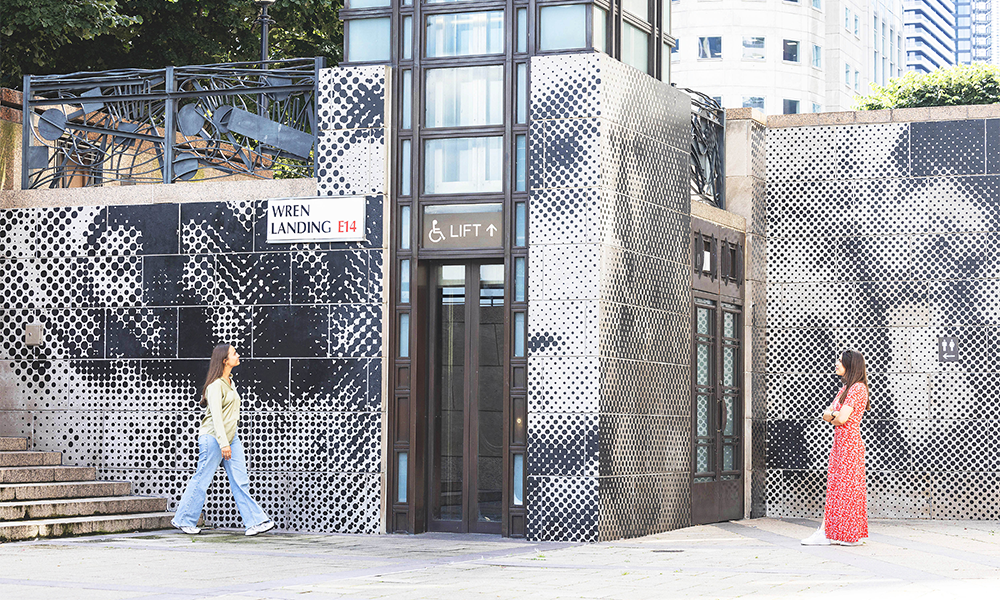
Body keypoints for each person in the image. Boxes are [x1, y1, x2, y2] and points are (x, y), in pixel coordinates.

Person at [171, 344, 275, 537]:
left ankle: (255, 522)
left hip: (231, 438)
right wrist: (223, 443)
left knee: (240, 480)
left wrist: (229, 440)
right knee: (202, 478)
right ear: (224, 360)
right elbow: (217, 418)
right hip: (213, 438)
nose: (238, 355)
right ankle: (184, 520)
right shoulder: (215, 386)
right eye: (234, 353)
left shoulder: (230, 382)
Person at [801, 349, 869, 546]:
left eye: (840, 361)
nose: (837, 364)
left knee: (845, 489)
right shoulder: (845, 389)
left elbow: (840, 418)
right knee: (838, 489)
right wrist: (833, 416)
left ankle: (836, 533)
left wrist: (833, 416)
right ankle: (834, 533)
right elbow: (828, 415)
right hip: (841, 443)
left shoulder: (857, 389)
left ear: (851, 365)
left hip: (849, 444)